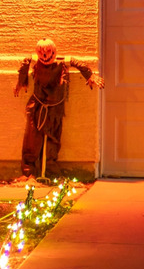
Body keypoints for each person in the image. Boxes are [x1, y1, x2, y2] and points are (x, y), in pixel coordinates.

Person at [14, 38, 103, 178]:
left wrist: (89, 75)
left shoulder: (62, 63)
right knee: (32, 138)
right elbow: (26, 61)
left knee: (53, 139)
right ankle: (28, 172)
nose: (44, 55)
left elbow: (78, 63)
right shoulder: (35, 62)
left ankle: (50, 171)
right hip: (37, 106)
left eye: (48, 51)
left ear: (54, 52)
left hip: (55, 108)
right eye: (41, 52)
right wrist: (21, 81)